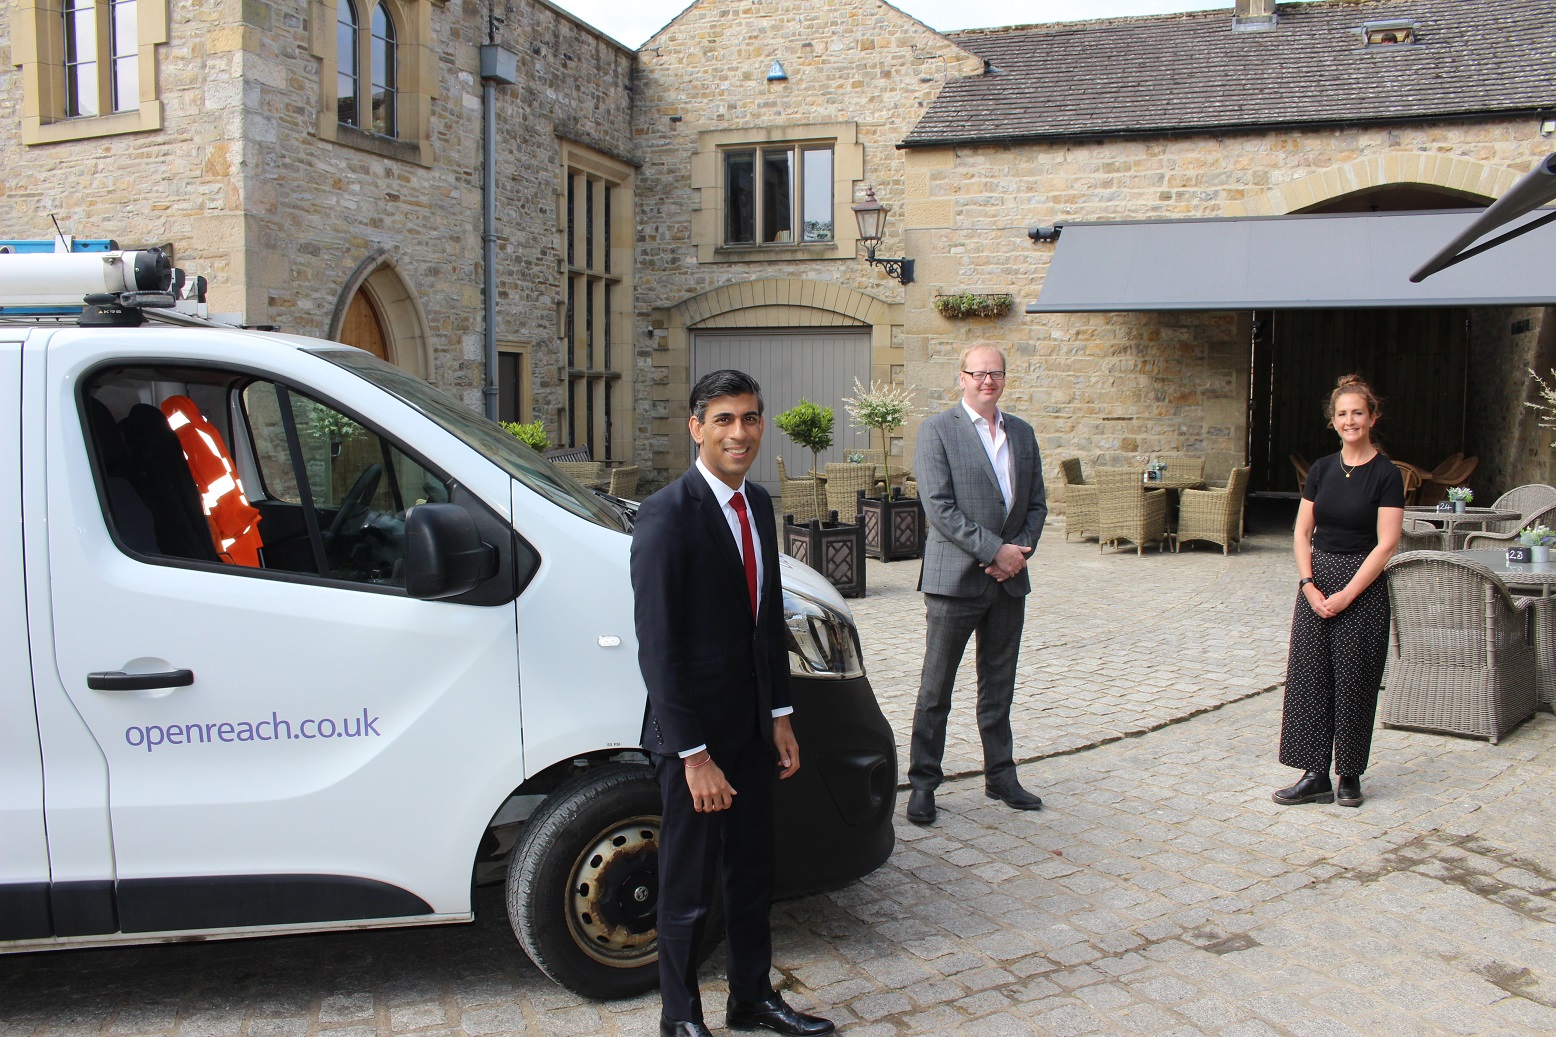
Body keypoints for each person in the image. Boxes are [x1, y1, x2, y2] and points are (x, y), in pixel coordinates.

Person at [631, 370, 835, 1037]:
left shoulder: (759, 505)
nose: (740, 432)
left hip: (751, 732)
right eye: (724, 419)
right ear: (696, 427)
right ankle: (679, 1016)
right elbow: (658, 649)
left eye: (749, 418)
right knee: (688, 889)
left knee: (752, 876)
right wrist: (694, 757)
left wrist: (779, 714)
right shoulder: (667, 514)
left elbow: (763, 622)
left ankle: (750, 997)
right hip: (695, 742)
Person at [906, 345, 1048, 826]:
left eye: (996, 373)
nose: (988, 380)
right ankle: (923, 783)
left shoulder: (1022, 434)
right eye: (979, 373)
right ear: (962, 378)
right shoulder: (937, 431)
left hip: (1009, 582)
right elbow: (940, 509)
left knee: (999, 686)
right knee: (936, 688)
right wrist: (996, 552)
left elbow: (1037, 507)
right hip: (955, 581)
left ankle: (1000, 776)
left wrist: (1018, 553)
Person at [1274, 374, 1404, 809]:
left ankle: (1349, 775)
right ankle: (1314, 776)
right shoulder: (1323, 470)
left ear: (1372, 417)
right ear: (1333, 421)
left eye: (1358, 413)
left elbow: (1386, 543)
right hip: (1316, 582)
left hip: (1362, 586)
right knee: (1310, 681)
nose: (1350, 420)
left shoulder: (1387, 475)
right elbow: (1301, 532)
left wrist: (1347, 594)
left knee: (1355, 682)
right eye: (1342, 413)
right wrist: (1309, 584)